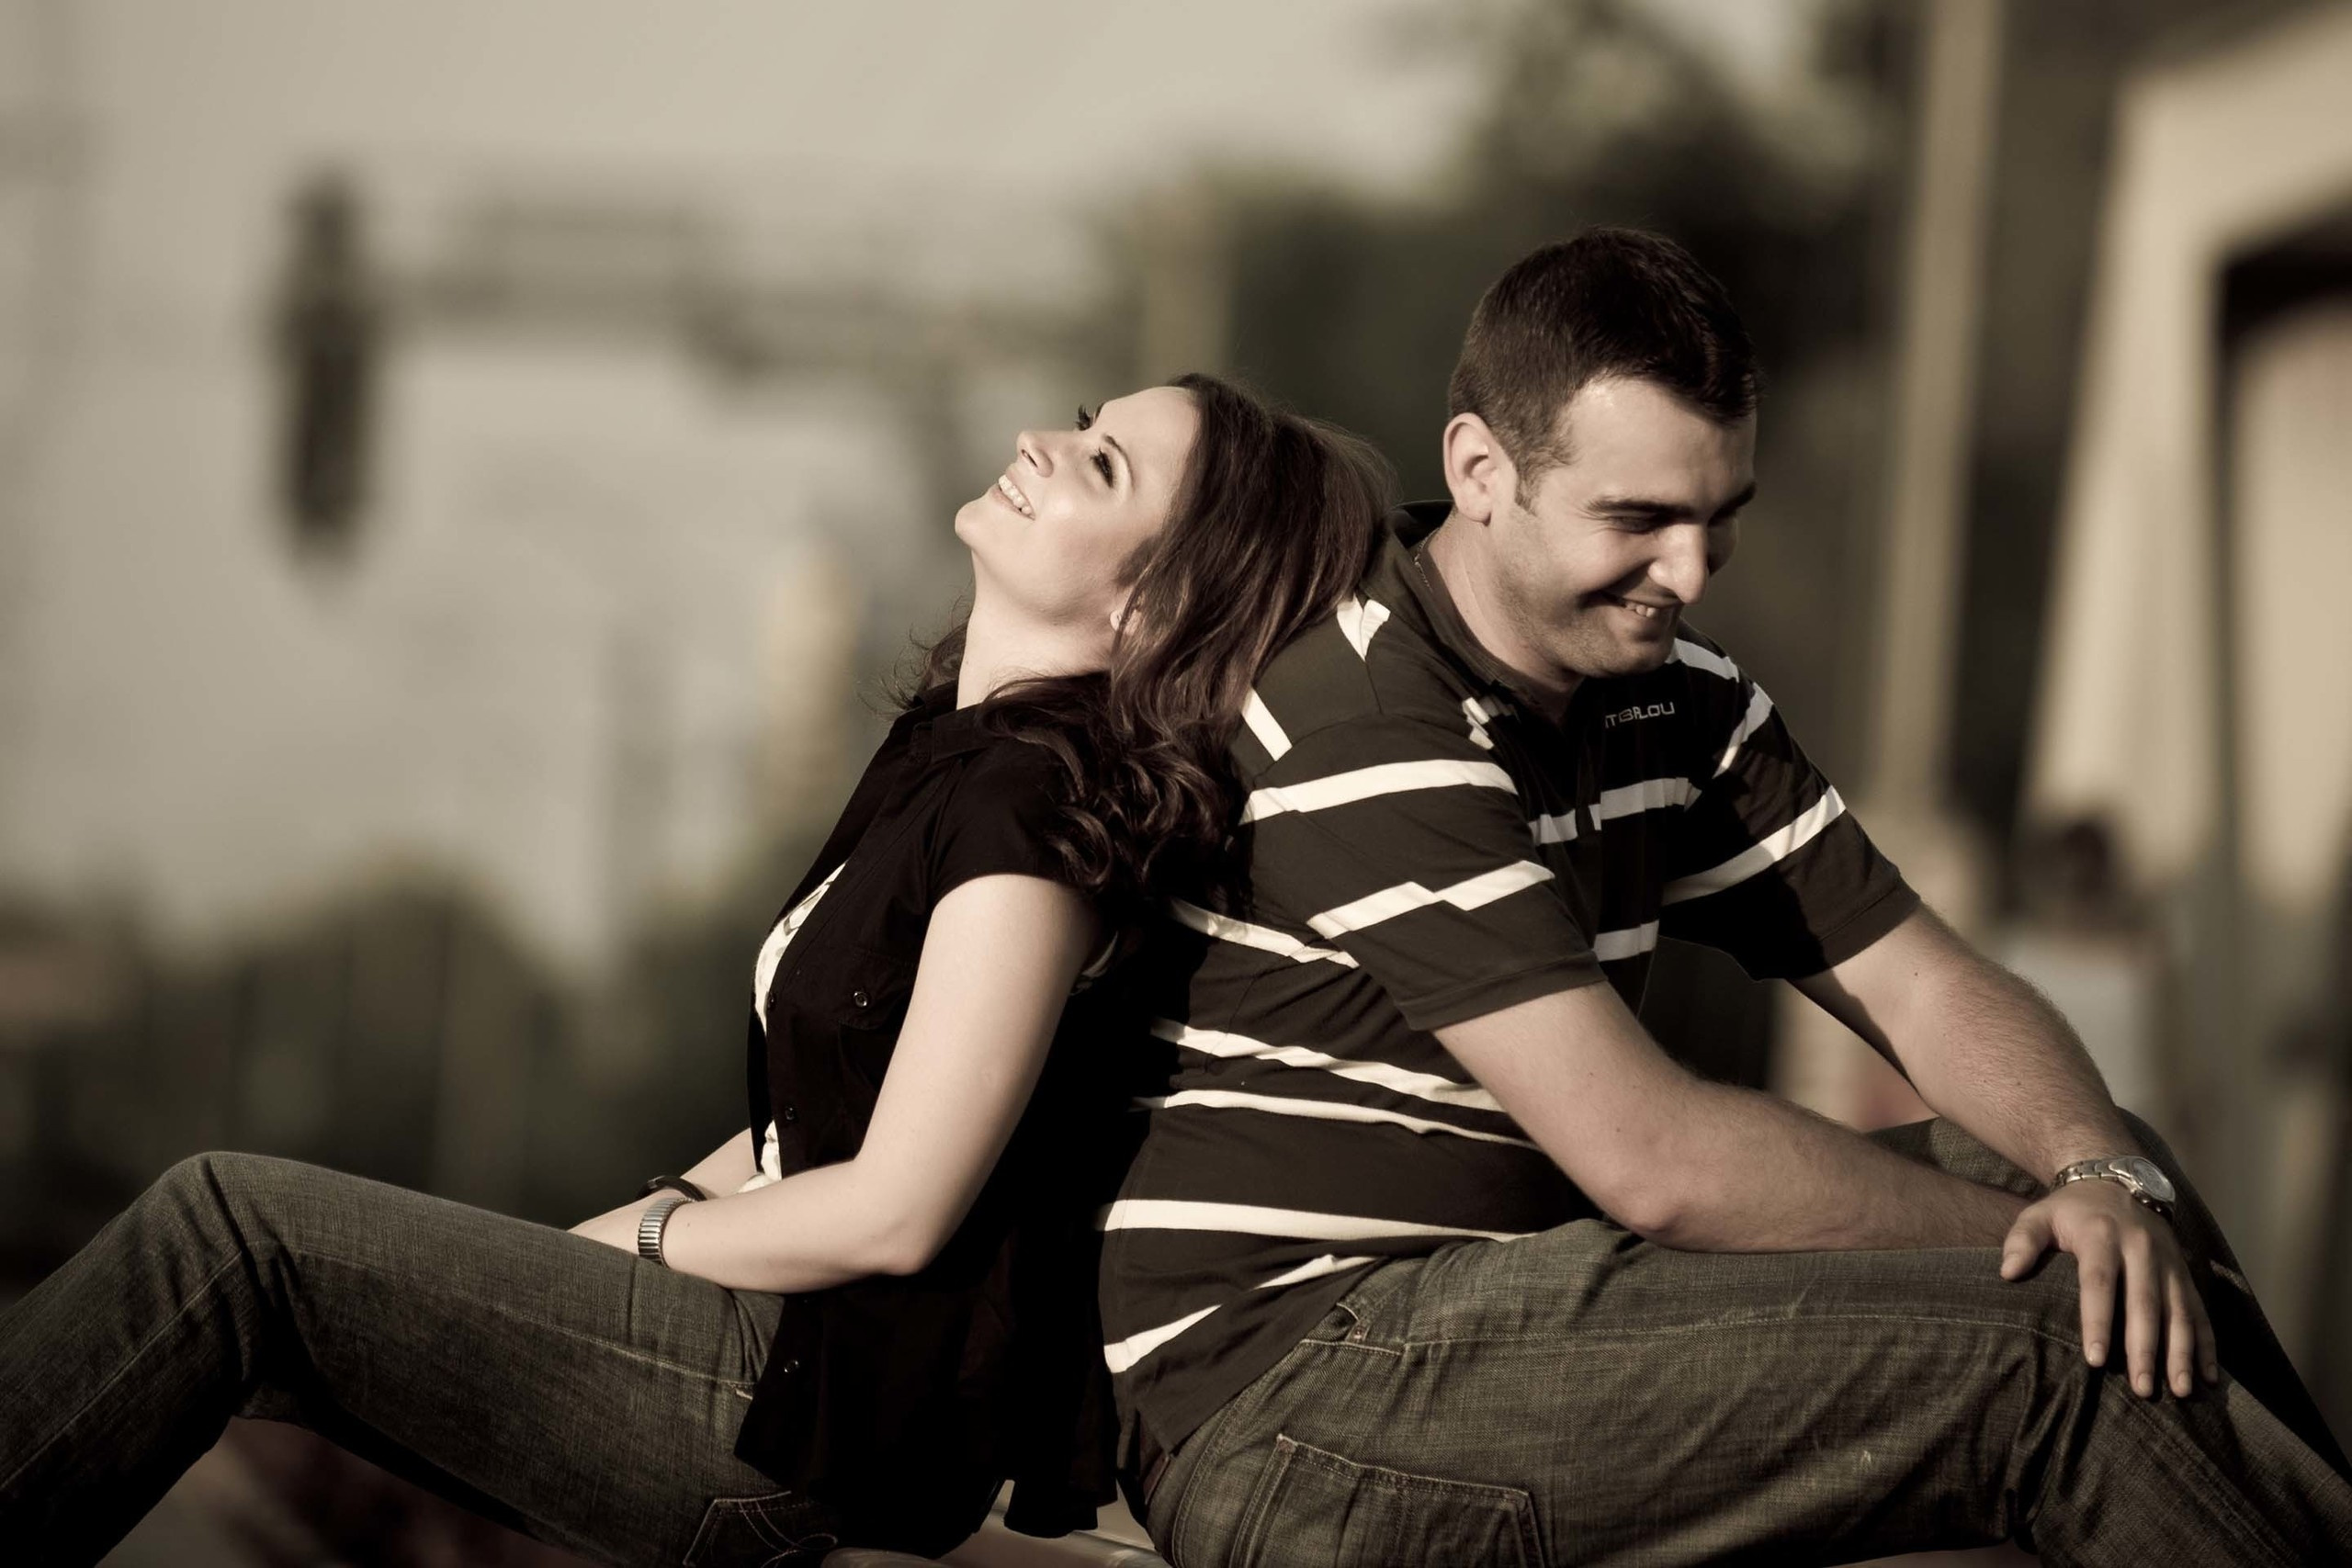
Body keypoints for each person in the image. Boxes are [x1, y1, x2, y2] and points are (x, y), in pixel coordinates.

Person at [1098, 231, 2352, 1565]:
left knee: (2134, 1186)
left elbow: (1919, 983)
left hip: (1498, 1308)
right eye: (1639, 520)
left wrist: (2097, 1181)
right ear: (1480, 472)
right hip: (1290, 1393)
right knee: (2065, 1341)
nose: (1690, 575)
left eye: (1720, 516)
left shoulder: (1675, 700)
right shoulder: (1368, 716)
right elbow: (1653, 1161)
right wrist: (2054, 1248)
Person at [0, 373, 1391, 1567]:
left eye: (1101, 464)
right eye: (1083, 420)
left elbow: (896, 1209)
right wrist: (602, 1242)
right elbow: (800, 1134)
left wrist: (658, 1248)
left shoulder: (1034, 821)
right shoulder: (949, 760)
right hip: (752, 1354)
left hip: (792, 1417)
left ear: (1159, 604)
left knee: (229, 1234)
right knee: (254, 1324)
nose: (1039, 439)